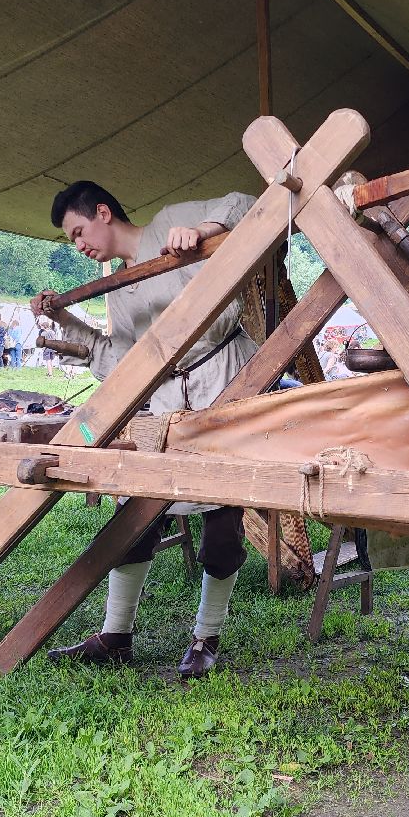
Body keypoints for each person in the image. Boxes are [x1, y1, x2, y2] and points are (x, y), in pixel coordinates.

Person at [32, 179, 260, 678]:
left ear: (102, 212)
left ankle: (207, 636)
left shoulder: (169, 221)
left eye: (77, 231)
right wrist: (65, 318)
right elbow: (120, 360)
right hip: (160, 404)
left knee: (221, 524)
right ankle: (116, 634)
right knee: (133, 516)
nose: (79, 244)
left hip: (222, 386)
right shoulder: (118, 285)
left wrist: (200, 232)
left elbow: (245, 201)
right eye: (72, 239)